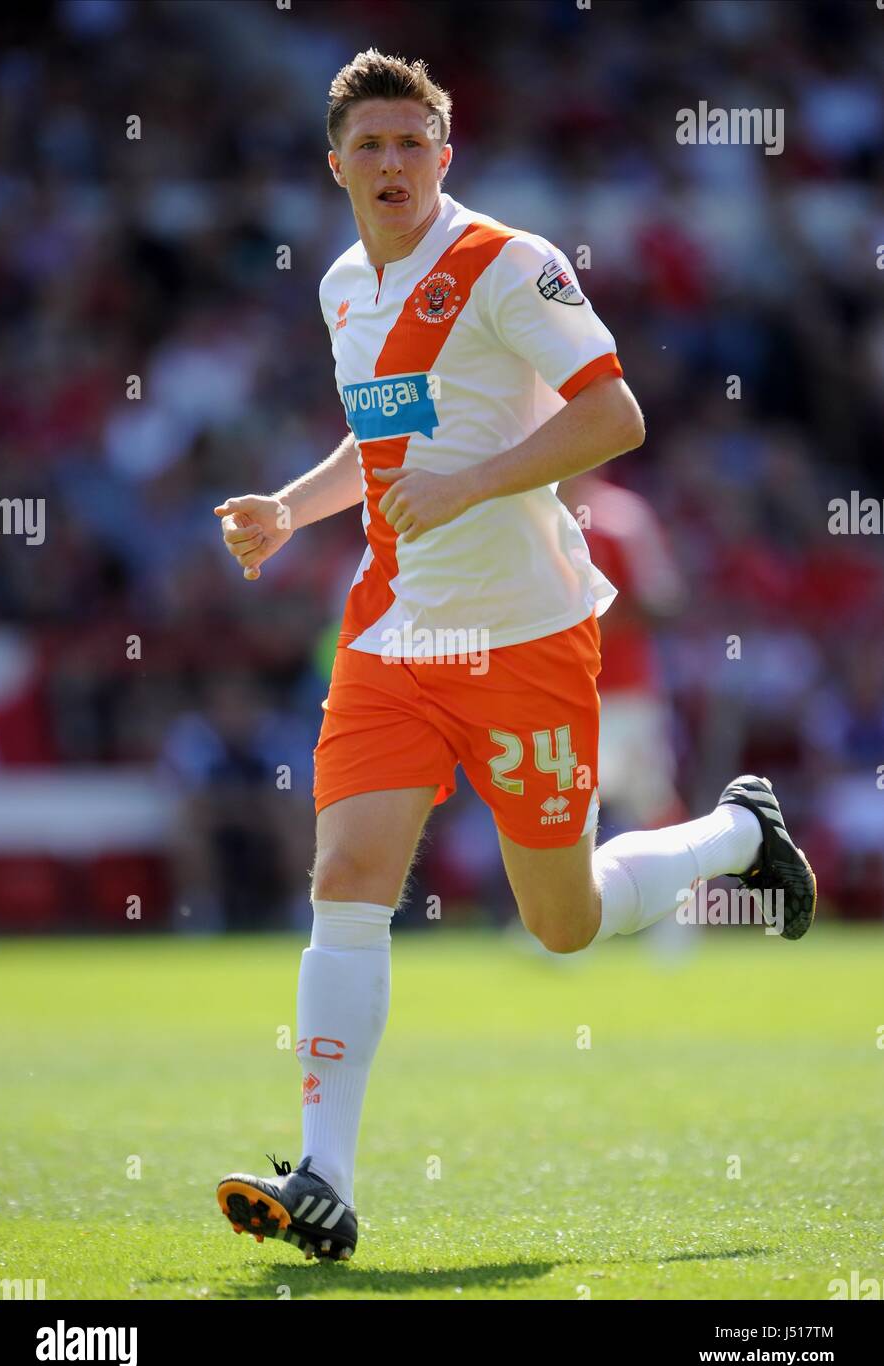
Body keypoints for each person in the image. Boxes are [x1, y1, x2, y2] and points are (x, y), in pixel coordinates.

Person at [213, 51, 816, 1263]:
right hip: (394, 633)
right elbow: (377, 442)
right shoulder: (341, 286)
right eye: (369, 146)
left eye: (412, 142)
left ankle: (739, 833)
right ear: (336, 166)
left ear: (447, 153)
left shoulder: (508, 263)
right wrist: (289, 505)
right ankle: (322, 1173)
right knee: (347, 877)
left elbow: (615, 413)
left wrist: (476, 481)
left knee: (563, 920)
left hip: (531, 635)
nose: (392, 164)